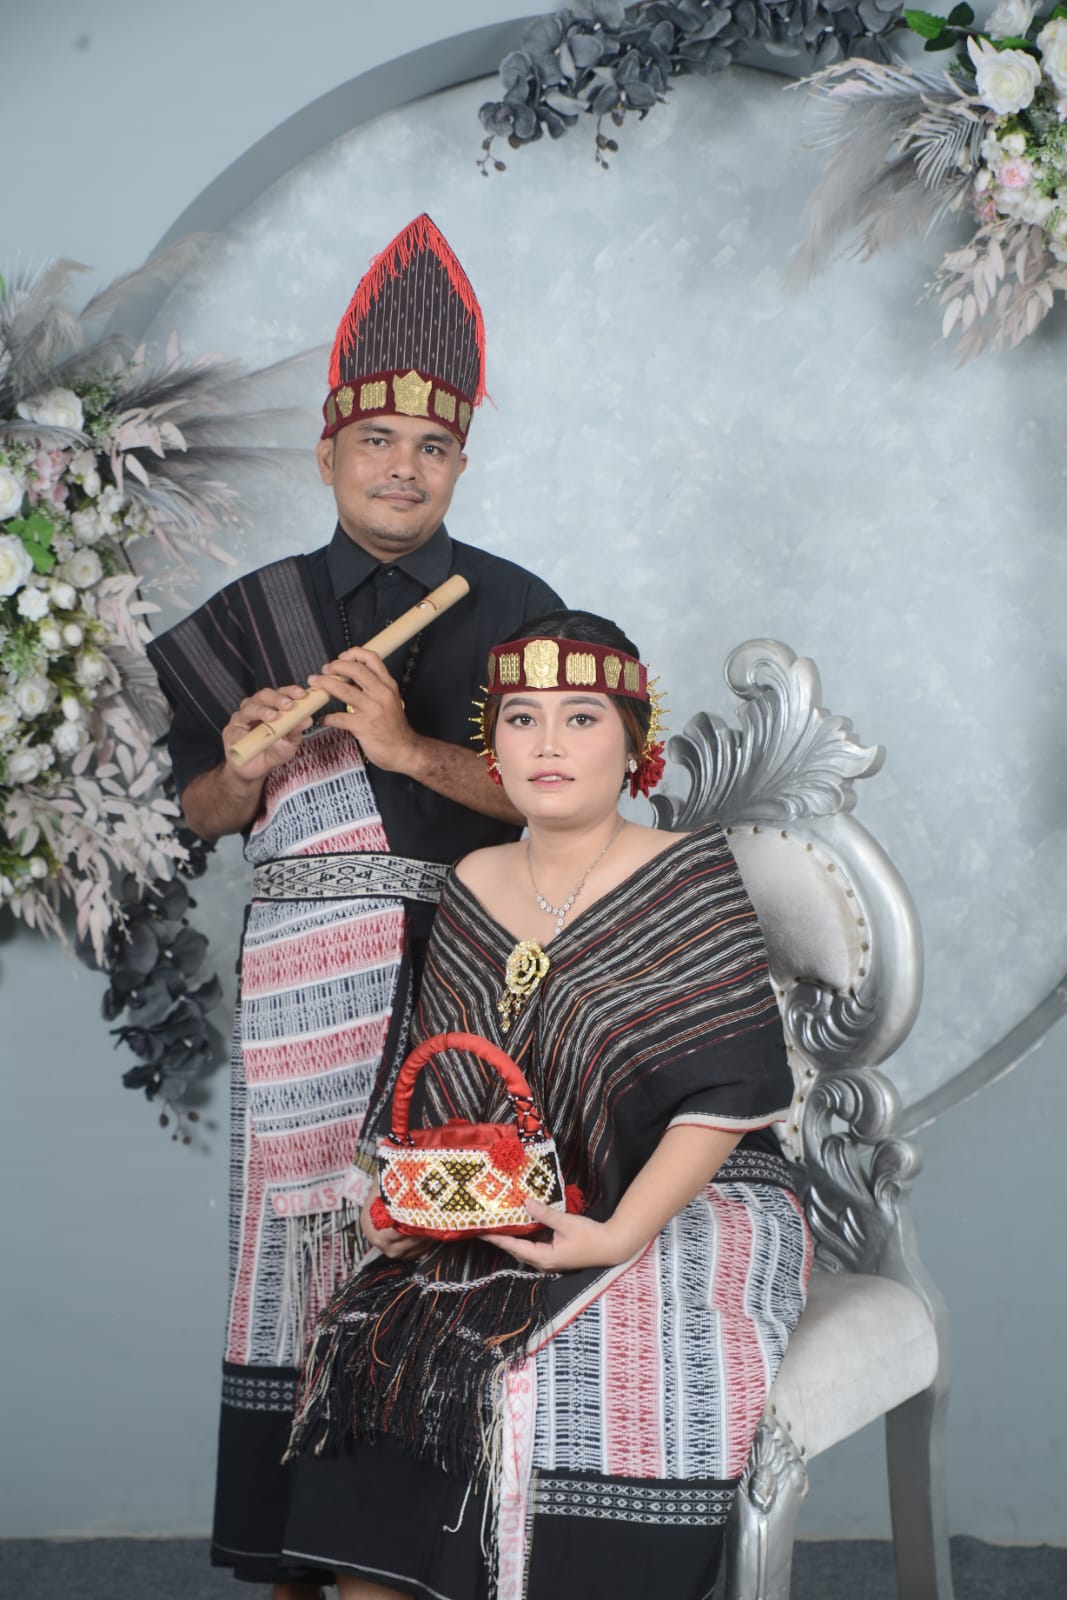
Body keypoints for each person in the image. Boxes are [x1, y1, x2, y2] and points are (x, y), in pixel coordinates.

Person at [146, 215, 562, 1599]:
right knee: (286, 1268)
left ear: (459, 464)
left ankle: (399, 1556)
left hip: (459, 978)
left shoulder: (515, 608)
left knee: (422, 1259)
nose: (402, 465)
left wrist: (403, 749)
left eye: (431, 447)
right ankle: (288, 1558)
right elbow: (194, 814)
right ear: (328, 452)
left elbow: (559, 799)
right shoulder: (255, 612)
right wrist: (241, 767)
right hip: (293, 993)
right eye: (376, 440)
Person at [281, 610, 813, 1600]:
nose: (547, 744)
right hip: (508, 1192)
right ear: (494, 744)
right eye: (521, 719)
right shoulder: (472, 881)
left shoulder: (689, 876)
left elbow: (729, 1092)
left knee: (580, 1357)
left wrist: (614, 1235)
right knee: (386, 1340)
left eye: (580, 718)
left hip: (682, 1191)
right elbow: (442, 1086)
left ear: (633, 744)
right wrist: (406, 1204)